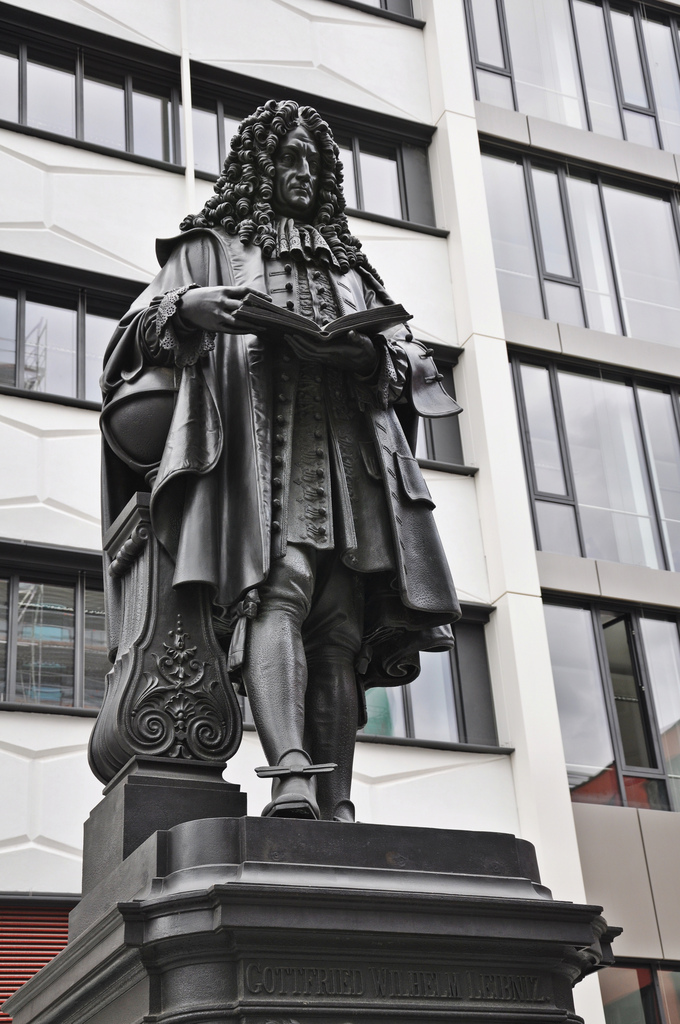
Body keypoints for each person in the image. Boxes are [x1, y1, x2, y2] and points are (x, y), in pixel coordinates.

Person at [100, 99, 461, 822]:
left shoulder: (354, 268)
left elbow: (416, 362)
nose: (302, 171)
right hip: (262, 459)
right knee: (279, 590)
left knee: (340, 625)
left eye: (314, 162)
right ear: (259, 168)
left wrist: (370, 354)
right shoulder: (210, 248)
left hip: (352, 459)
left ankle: (339, 802)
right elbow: (131, 336)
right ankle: (289, 774)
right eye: (288, 158)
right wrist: (192, 306)